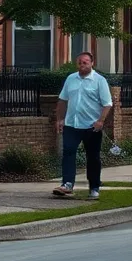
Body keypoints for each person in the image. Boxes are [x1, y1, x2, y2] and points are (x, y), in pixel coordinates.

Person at [54, 51, 113, 200]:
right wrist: (60, 119)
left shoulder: (99, 81)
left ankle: (94, 187)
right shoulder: (71, 79)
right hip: (72, 124)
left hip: (91, 126)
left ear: (92, 63)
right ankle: (67, 184)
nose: (82, 65)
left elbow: (107, 104)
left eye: (85, 62)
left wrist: (101, 121)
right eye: (79, 62)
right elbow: (62, 100)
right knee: (68, 151)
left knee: (93, 157)